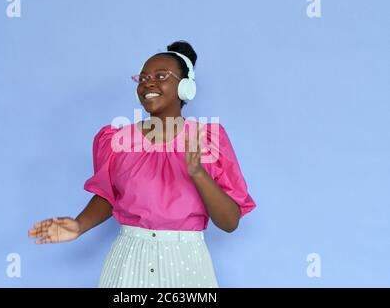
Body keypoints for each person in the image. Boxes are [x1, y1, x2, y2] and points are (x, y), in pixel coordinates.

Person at [28, 40, 256, 288]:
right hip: (128, 260)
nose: (149, 82)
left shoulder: (208, 138)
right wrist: (79, 224)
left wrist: (198, 173)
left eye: (161, 76)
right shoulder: (117, 139)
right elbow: (109, 194)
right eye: (143, 77)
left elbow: (230, 222)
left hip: (187, 262)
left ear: (186, 87)